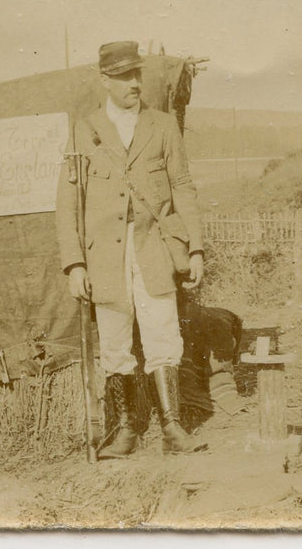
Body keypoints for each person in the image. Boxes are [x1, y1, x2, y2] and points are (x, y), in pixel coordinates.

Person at [56, 41, 206, 457]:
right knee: (115, 339)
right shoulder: (83, 131)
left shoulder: (162, 126)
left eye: (136, 74)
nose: (133, 84)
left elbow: (183, 188)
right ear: (105, 81)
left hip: (154, 248)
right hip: (105, 255)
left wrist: (195, 248)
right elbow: (69, 201)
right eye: (123, 77)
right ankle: (125, 429)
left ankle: (173, 427)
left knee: (162, 332)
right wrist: (74, 264)